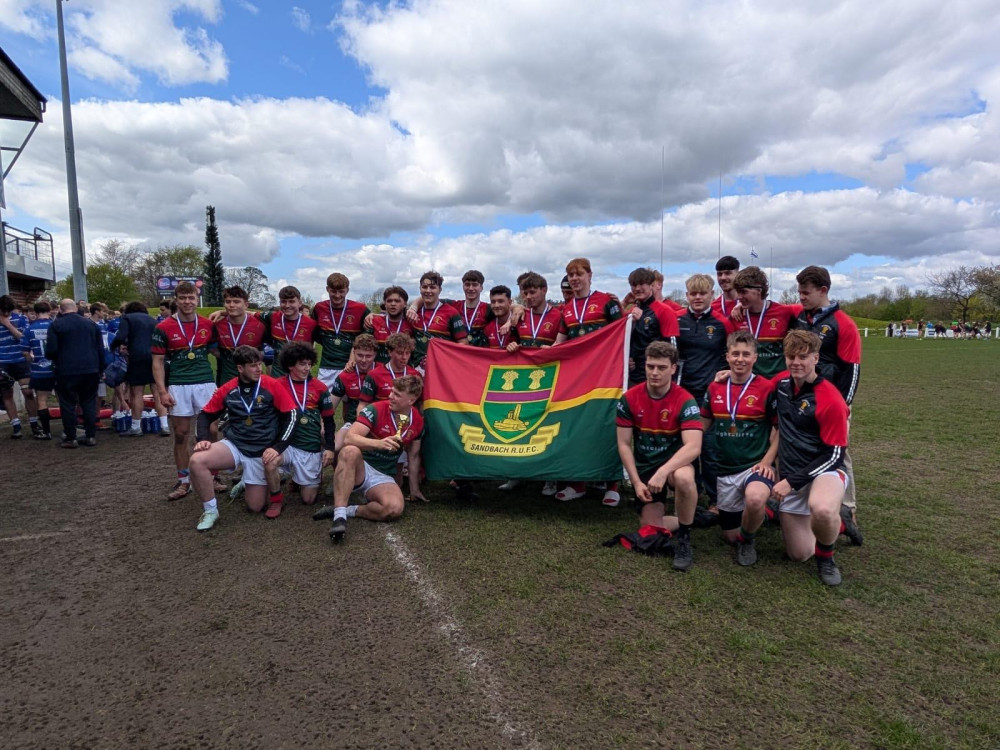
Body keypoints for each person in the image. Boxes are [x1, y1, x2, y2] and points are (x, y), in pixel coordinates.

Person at [767, 331, 850, 586]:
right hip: (792, 474)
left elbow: (836, 454)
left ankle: (826, 558)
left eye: (803, 357)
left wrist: (791, 481)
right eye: (791, 356)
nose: (796, 363)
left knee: (822, 509)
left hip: (824, 472)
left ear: (816, 358)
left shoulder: (830, 399)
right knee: (799, 554)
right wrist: (726, 376)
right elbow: (753, 388)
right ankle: (841, 525)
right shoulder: (780, 384)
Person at [616, 341, 703, 571]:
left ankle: (684, 539)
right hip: (646, 469)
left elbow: (694, 447)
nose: (655, 372)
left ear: (674, 368)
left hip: (673, 467)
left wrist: (663, 472)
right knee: (650, 528)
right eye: (650, 366)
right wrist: (635, 482)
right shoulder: (630, 398)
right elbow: (624, 444)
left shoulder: (685, 399)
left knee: (685, 477)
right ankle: (693, 516)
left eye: (662, 367)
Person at [189, 346, 296, 531]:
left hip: (262, 451)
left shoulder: (271, 385)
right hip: (236, 445)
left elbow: (291, 416)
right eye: (253, 366)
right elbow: (205, 414)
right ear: (240, 368)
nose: (258, 369)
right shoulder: (229, 389)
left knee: (255, 507)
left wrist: (278, 447)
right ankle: (210, 511)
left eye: (260, 364)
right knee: (197, 460)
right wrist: (203, 438)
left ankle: (248, 479)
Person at [793, 265, 863, 544]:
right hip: (803, 400)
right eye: (798, 292)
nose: (801, 297)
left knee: (837, 453)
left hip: (833, 402)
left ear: (823, 291)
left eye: (805, 292)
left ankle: (848, 509)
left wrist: (843, 406)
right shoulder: (800, 317)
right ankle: (801, 505)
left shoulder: (843, 323)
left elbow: (852, 369)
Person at [700, 331, 779, 565]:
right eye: (735, 354)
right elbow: (701, 426)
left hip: (754, 466)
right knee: (729, 536)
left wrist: (767, 462)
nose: (740, 359)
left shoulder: (766, 388)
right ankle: (771, 511)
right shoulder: (714, 387)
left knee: (754, 499)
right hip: (725, 470)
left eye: (746, 354)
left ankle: (749, 540)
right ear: (727, 357)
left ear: (755, 357)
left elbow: (780, 430)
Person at [324, 374, 426, 543]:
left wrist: (414, 489)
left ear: (411, 400)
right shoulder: (376, 409)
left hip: (383, 475)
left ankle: (351, 510)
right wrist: (379, 444)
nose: (391, 396)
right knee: (349, 451)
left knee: (393, 508)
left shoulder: (417, 421)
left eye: (397, 395)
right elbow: (350, 438)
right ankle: (339, 516)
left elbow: (413, 455)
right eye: (392, 392)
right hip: (360, 467)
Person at [554, 257, 623, 504]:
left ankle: (612, 484)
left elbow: (622, 334)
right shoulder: (568, 308)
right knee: (580, 426)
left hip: (606, 375)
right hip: (578, 377)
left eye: (578, 274)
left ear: (590, 275)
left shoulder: (606, 301)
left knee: (609, 425)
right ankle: (578, 483)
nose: (574, 279)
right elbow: (559, 343)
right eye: (570, 275)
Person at [153, 281, 221, 500]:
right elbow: (157, 362)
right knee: (181, 435)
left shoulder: (208, 325)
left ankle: (214, 475)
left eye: (191, 297)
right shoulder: (163, 327)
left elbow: (218, 353)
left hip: (205, 383)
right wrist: (162, 391)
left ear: (197, 297)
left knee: (211, 430)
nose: (187, 302)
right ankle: (183, 481)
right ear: (176, 299)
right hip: (179, 384)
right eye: (182, 298)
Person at [676, 273, 737, 512]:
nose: (698, 297)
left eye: (703, 293)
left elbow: (734, 353)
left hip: (711, 395)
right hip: (683, 393)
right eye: (693, 293)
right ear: (687, 295)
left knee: (710, 448)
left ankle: (715, 498)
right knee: (685, 447)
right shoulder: (677, 319)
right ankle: (690, 491)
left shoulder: (723, 323)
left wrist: (726, 374)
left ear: (712, 294)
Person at [271, 342, 336, 513]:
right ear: (290, 365)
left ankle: (302, 478)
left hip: (309, 446)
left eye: (309, 363)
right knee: (270, 461)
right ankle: (276, 499)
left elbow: (329, 421)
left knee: (308, 500)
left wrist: (329, 447)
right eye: (302, 364)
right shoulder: (277, 385)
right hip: (286, 445)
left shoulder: (320, 388)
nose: (307, 368)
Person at [44, 299, 106, 448]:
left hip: (66, 370)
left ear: (60, 309)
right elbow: (100, 349)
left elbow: (51, 351)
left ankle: (71, 437)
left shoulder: (56, 325)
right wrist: (101, 369)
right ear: (75, 308)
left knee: (67, 403)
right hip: (90, 369)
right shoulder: (91, 325)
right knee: (89, 402)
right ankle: (90, 436)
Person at [732, 266, 801, 378]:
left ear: (759, 291)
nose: (739, 297)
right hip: (749, 384)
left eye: (743, 292)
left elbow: (810, 307)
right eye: (738, 292)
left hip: (779, 383)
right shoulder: (737, 316)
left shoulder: (785, 312)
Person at [111, 301, 166, 436]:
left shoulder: (128, 318)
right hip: (155, 357)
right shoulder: (153, 320)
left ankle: (136, 426)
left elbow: (121, 336)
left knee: (137, 393)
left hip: (137, 357)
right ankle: (164, 425)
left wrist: (115, 346)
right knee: (158, 392)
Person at [312, 273, 370, 390]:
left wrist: (373, 314)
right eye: (333, 291)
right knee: (323, 403)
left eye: (341, 291)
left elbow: (367, 335)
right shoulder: (319, 308)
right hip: (327, 367)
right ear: (327, 289)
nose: (337, 295)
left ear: (347, 290)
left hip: (352, 365)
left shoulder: (360, 308)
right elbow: (314, 334)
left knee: (350, 404)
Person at [625, 267, 679, 387]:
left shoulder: (664, 311)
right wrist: (627, 358)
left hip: (656, 377)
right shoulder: (630, 313)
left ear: (651, 285)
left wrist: (670, 379)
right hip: (633, 378)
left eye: (642, 284)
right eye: (634, 285)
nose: (638, 288)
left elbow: (673, 349)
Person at [328, 334, 378, 452]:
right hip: (354, 422)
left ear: (375, 355)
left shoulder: (383, 372)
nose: (364, 360)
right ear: (353, 353)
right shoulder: (345, 376)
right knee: (334, 446)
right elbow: (330, 408)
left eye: (368, 356)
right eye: (360, 355)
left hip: (379, 422)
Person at [410, 271, 468, 369]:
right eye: (424, 287)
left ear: (440, 290)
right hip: (417, 369)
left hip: (442, 367)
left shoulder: (451, 312)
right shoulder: (413, 313)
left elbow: (464, 342)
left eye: (432, 287)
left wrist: (444, 356)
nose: (428, 290)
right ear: (420, 289)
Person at [0, 294, 39, 438]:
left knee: (28, 392)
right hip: (3, 362)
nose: (5, 314)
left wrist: (8, 324)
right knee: (7, 393)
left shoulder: (21, 319)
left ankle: (34, 423)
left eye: (8, 311)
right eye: (3, 310)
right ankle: (16, 424)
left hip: (20, 360)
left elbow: (23, 338)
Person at [213, 286, 267, 385]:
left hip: (254, 381)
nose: (231, 305)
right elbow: (211, 348)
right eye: (228, 301)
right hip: (226, 381)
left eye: (236, 302)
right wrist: (226, 357)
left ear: (246, 305)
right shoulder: (217, 325)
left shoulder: (260, 325)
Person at [261, 286, 318, 377]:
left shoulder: (311, 324)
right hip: (277, 376)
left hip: (301, 377)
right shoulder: (272, 317)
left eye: (291, 301)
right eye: (283, 301)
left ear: (299, 303)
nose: (287, 305)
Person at [19, 300, 55, 439]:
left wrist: (32, 360)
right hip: (57, 368)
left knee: (42, 400)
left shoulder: (30, 329)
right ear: (50, 310)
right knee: (63, 398)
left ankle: (46, 432)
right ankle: (68, 430)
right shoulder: (55, 326)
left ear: (35, 312)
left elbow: (25, 352)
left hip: (39, 370)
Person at [360, 332, 417, 404]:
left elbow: (420, 405)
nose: (404, 357)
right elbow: (363, 404)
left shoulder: (415, 375)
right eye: (400, 353)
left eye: (407, 353)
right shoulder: (374, 375)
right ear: (390, 352)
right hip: (382, 415)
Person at [512, 272, 562, 349]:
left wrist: (552, 350)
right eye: (526, 293)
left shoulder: (558, 316)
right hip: (525, 361)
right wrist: (511, 345)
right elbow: (513, 342)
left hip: (548, 360)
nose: (528, 296)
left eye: (532, 292)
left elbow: (565, 346)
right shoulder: (521, 315)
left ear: (544, 290)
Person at [368, 286, 416, 363]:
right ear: (385, 303)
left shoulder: (412, 323)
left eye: (397, 301)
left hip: (404, 372)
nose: (393, 304)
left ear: (405, 304)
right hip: (379, 371)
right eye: (389, 301)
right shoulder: (374, 321)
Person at [478, 285, 519, 350]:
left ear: (510, 302)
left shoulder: (519, 323)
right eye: (493, 302)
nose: (496, 305)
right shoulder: (487, 329)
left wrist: (518, 346)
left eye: (500, 301)